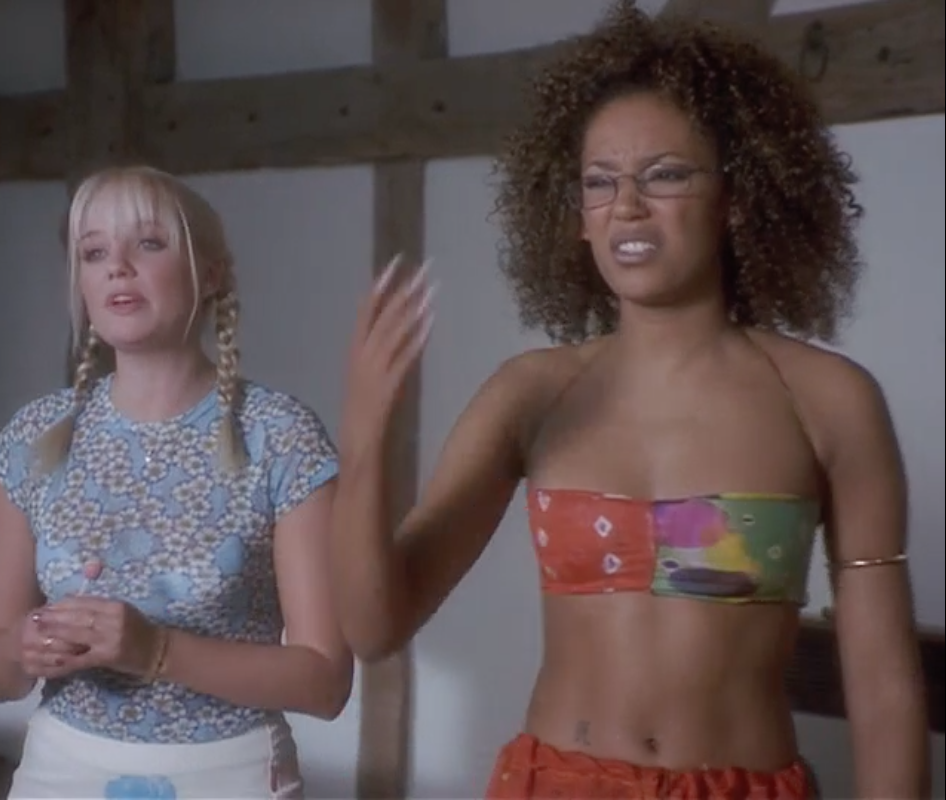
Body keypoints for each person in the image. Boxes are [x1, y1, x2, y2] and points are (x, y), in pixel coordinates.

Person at [330, 3, 929, 798]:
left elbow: (883, 687)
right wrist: (365, 436)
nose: (626, 206)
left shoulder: (829, 400)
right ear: (576, 218)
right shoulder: (530, 393)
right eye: (599, 182)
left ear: (737, 196)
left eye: (666, 174)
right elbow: (374, 627)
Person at [0, 165, 352, 799]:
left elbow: (326, 682)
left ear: (213, 272)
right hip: (60, 772)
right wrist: (21, 647)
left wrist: (157, 651)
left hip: (229, 777)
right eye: (94, 252)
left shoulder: (280, 437)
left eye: (148, 243)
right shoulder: (32, 439)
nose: (117, 267)